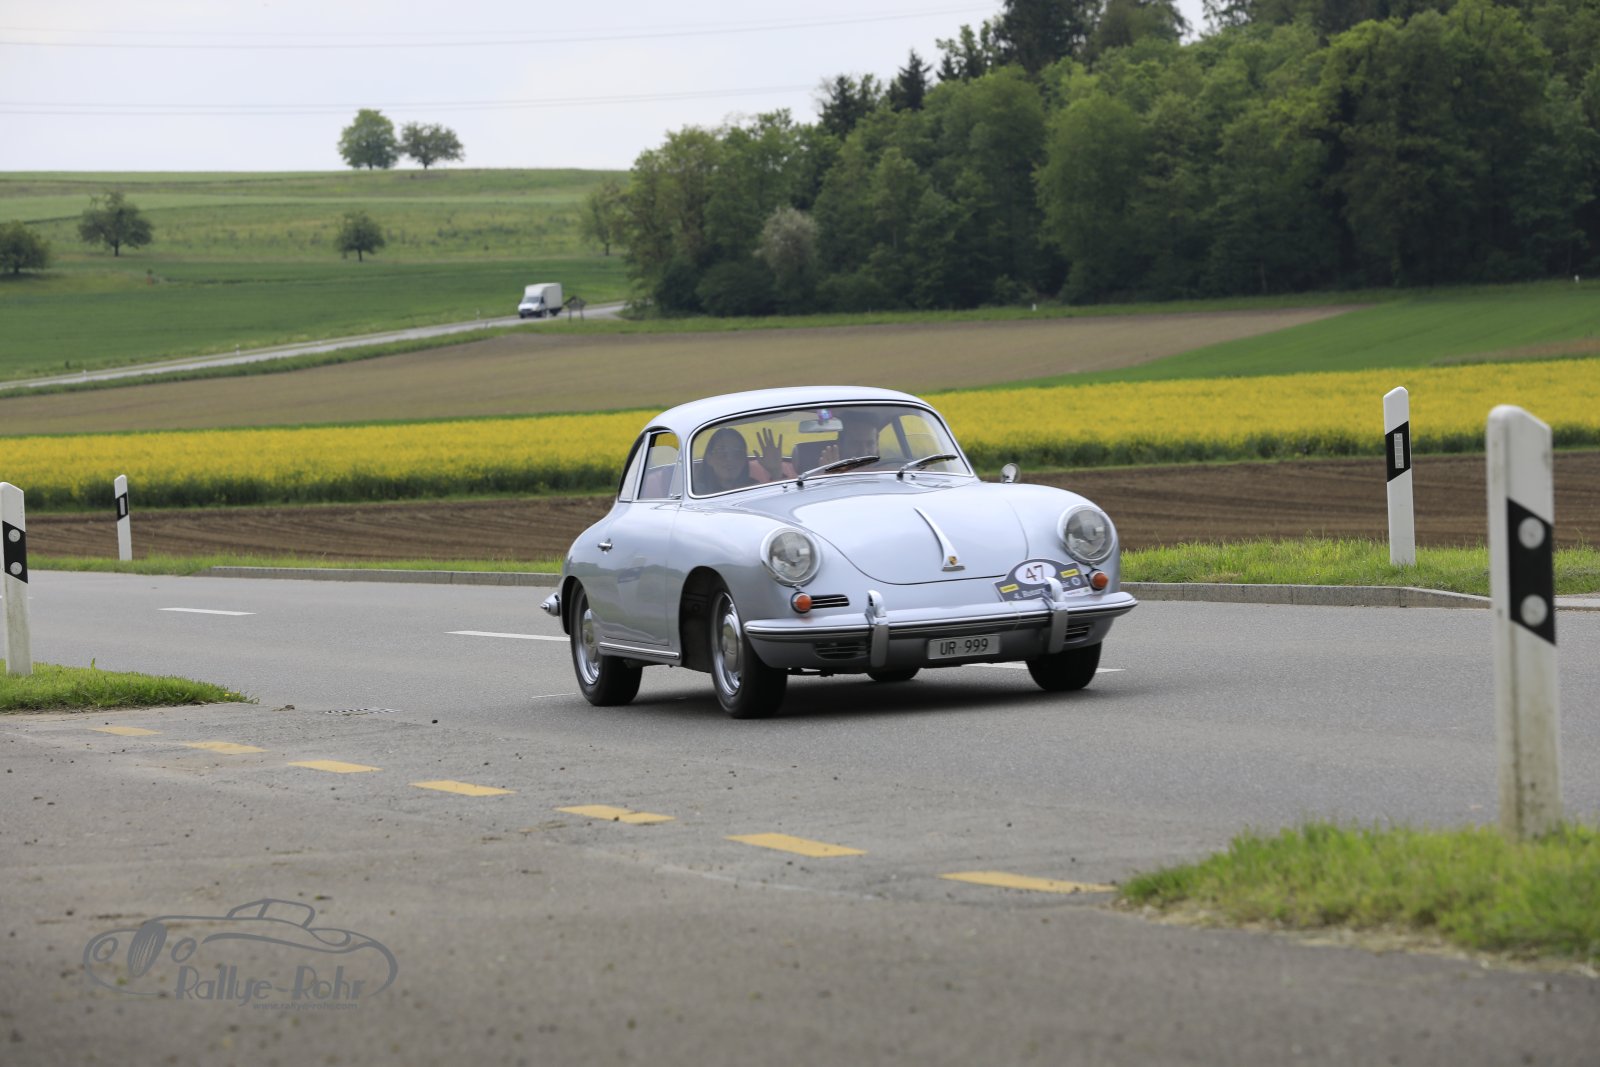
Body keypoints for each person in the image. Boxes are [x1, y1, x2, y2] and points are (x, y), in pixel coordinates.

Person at [696, 425, 785, 493]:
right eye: (721, 450)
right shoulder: (697, 492)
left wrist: (775, 471)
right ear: (709, 459)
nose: (730, 458)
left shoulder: (754, 488)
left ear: (744, 460)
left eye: (737, 451)